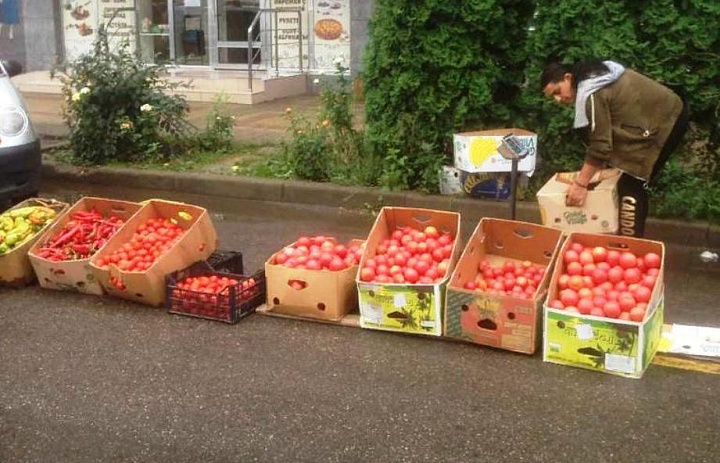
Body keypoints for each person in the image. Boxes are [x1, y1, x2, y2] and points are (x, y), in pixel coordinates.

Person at [541, 60, 689, 237]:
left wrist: (581, 184)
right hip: (664, 114)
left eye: (557, 91)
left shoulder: (592, 93)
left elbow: (600, 146)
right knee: (621, 174)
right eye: (553, 97)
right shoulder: (597, 76)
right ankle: (623, 242)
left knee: (631, 181)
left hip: (667, 121)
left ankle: (628, 248)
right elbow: (605, 135)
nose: (558, 99)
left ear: (568, 77)